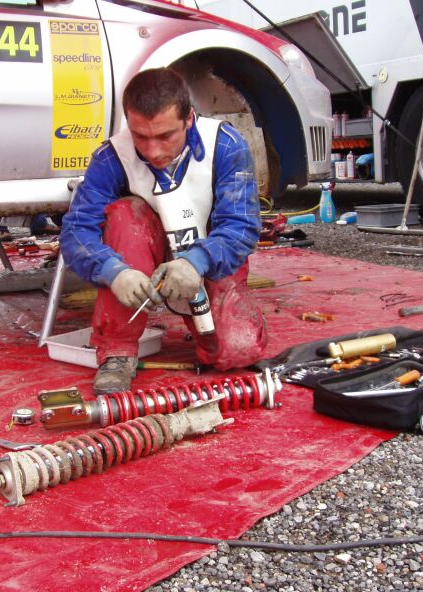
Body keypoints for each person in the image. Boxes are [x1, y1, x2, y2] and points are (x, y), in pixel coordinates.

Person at [60, 67, 268, 394]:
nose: (153, 151)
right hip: (144, 248)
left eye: (165, 136)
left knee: (236, 351)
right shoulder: (111, 157)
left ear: (189, 118)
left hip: (208, 256)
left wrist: (195, 262)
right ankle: (117, 350)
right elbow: (76, 233)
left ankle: (220, 321)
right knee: (125, 214)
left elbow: (241, 227)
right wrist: (113, 271)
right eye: (141, 136)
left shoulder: (226, 146)